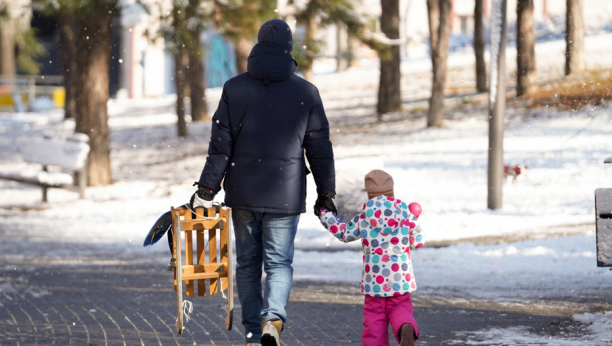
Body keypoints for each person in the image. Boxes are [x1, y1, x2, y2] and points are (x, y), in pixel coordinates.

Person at [190, 19, 337, 346]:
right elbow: (319, 149)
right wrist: (326, 193)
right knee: (279, 263)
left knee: (247, 264)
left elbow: (220, 147)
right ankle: (273, 319)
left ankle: (253, 332)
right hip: (285, 194)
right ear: (288, 49)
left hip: (243, 192)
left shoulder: (234, 88)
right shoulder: (306, 92)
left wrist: (206, 189)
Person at [318, 169, 423, 346]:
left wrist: (326, 215)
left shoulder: (363, 219)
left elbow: (344, 233)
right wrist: (415, 222)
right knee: (400, 307)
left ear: (370, 195)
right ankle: (405, 325)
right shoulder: (407, 215)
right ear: (392, 193)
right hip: (401, 278)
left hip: (375, 280)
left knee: (375, 319)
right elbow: (418, 241)